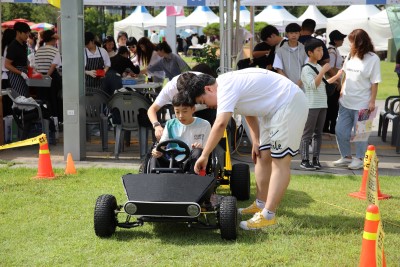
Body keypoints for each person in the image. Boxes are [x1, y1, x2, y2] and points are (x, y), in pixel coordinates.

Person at [181, 68, 308, 230]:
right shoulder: (226, 85)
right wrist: (256, 141)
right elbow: (249, 111)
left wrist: (204, 155)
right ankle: (260, 204)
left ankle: (268, 215)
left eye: (205, 102)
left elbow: (220, 124)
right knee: (262, 156)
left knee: (280, 162)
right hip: (275, 109)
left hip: (289, 104)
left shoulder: (225, 88)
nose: (208, 106)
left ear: (208, 89)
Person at [333, 29, 381, 170]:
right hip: (346, 102)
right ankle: (346, 156)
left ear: (360, 42)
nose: (350, 44)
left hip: (363, 104)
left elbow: (375, 82)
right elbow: (345, 74)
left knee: (361, 134)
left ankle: (360, 158)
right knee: (340, 131)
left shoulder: (373, 58)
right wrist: (342, 89)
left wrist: (372, 101)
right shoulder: (350, 55)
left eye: (352, 41)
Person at [300, 38, 343, 170]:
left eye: (321, 50)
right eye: (318, 50)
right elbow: (314, 85)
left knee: (318, 133)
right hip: (311, 105)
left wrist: (338, 75)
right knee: (308, 133)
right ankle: (304, 160)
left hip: (322, 104)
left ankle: (316, 159)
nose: (321, 53)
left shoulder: (318, 67)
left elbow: (324, 84)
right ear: (310, 53)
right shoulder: (307, 69)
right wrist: (323, 71)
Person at [147, 64, 217, 141]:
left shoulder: (205, 81)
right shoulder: (169, 89)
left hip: (207, 110)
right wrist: (157, 126)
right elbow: (152, 109)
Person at [150, 92, 211, 173]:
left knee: (198, 151)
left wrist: (201, 147)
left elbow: (208, 147)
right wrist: (157, 151)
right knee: (154, 156)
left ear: (193, 109)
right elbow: (163, 144)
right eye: (177, 112)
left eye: (184, 111)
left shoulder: (204, 125)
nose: (181, 116)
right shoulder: (170, 124)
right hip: (171, 161)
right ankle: (154, 179)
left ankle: (194, 179)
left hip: (192, 161)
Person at [34, 30, 62, 118]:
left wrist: (42, 76)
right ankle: (55, 120)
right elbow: (53, 67)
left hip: (40, 79)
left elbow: (35, 67)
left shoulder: (38, 51)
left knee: (43, 100)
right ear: (53, 39)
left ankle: (44, 119)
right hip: (52, 78)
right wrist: (47, 76)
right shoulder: (55, 51)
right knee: (54, 100)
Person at [323, 30, 347, 135]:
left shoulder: (333, 50)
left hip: (333, 81)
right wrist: (337, 80)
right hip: (333, 82)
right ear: (336, 40)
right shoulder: (332, 51)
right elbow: (329, 67)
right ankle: (330, 128)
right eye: (341, 39)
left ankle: (329, 127)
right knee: (333, 106)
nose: (343, 41)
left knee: (332, 105)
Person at [273, 23, 308, 89]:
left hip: (303, 86)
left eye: (296, 33)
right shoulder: (280, 51)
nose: (294, 35)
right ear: (287, 34)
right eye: (291, 33)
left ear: (299, 33)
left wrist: (298, 84)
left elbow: (307, 69)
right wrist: (290, 84)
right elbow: (279, 70)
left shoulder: (305, 50)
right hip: (286, 86)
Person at [5, 22, 31, 97]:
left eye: (28, 33)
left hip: (23, 74)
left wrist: (29, 67)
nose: (27, 35)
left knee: (25, 97)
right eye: (25, 33)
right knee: (19, 99)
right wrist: (21, 73)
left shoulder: (24, 45)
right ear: (18, 32)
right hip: (15, 76)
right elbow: (7, 65)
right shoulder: (13, 46)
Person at [1, 28, 16, 116]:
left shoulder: (3, 47)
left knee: (5, 102)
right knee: (10, 102)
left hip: (4, 77)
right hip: (10, 76)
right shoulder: (10, 48)